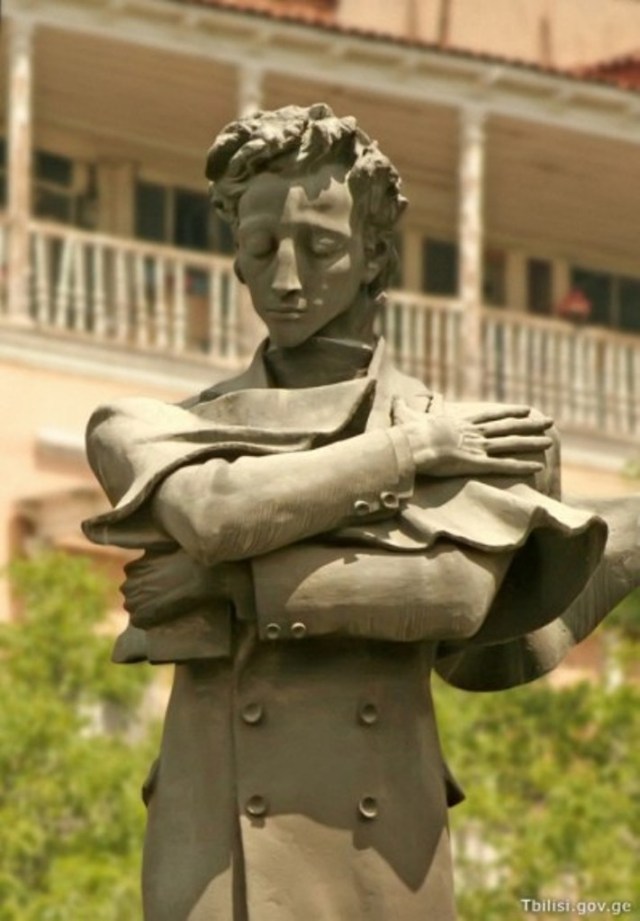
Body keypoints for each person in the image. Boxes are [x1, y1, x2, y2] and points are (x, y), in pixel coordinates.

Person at [83, 104, 633, 921]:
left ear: (375, 254)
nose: (289, 277)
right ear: (235, 257)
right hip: (216, 842)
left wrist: (228, 591)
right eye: (262, 248)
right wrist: (411, 455)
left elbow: (454, 593)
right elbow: (215, 512)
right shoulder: (149, 426)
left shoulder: (464, 427)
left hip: (382, 847)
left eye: (323, 247)